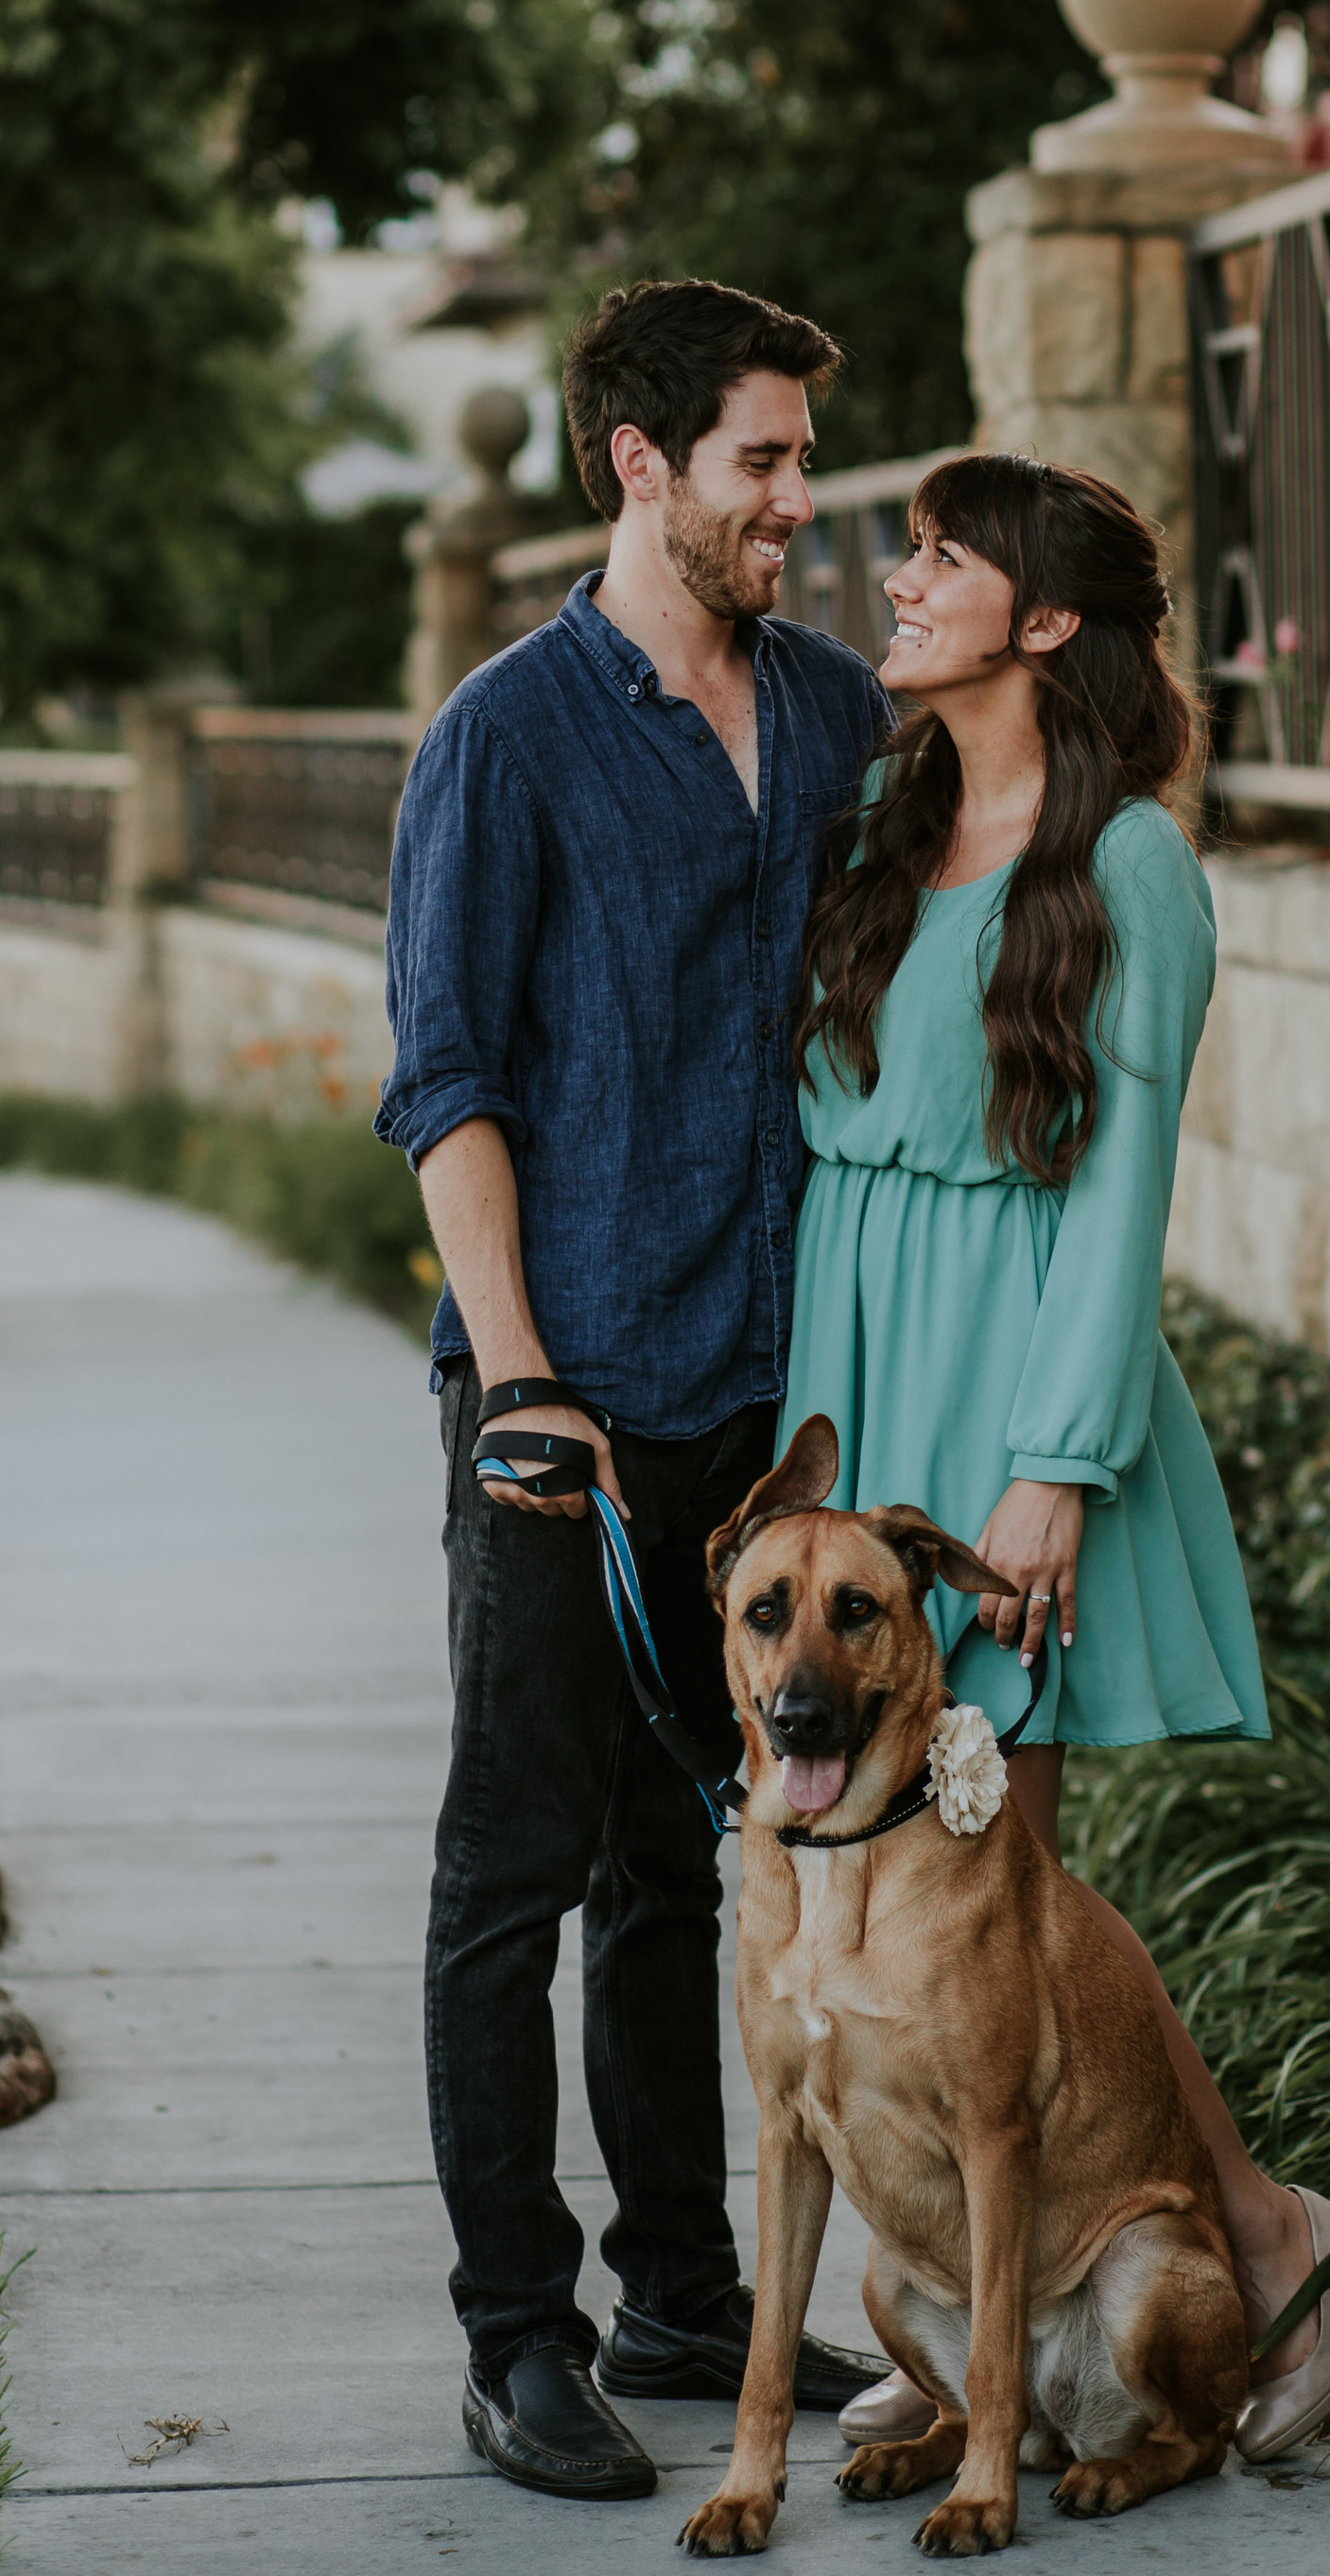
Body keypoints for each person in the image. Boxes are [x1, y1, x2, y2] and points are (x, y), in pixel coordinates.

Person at [781, 449, 1330, 2462]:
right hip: (855, 1379)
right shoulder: (881, 810)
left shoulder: (1130, 870)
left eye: (946, 558)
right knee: (894, 1889)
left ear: (1043, 623)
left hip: (1012, 1398)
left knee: (988, 1885)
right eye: (909, 546)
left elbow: (1115, 1200)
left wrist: (1053, 1469)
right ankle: (982, 2298)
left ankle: (1256, 2235)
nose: (903, 575)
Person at [373, 278, 890, 2505]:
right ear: (640, 466)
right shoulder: (504, 734)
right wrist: (514, 1373)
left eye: (801, 458)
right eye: (761, 459)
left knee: (692, 1870)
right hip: (558, 1417)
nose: (799, 498)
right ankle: (519, 2336)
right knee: (513, 1869)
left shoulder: (845, 713)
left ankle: (690, 2290)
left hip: (761, 1428)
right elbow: (447, 1077)